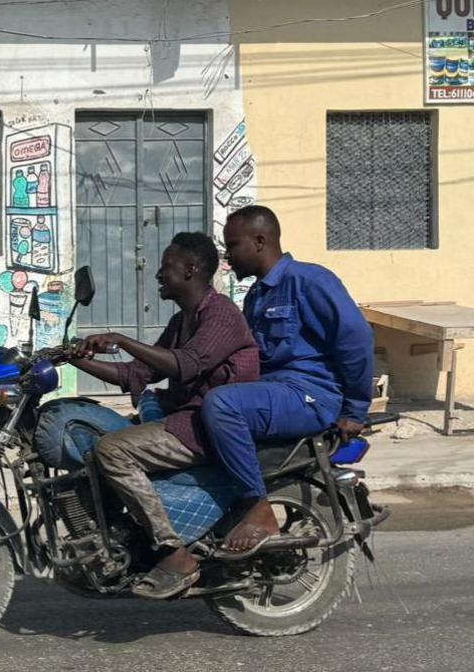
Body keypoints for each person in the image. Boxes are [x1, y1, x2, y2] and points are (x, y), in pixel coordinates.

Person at [62, 231, 259, 599]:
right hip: (186, 419)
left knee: (112, 450)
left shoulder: (221, 316)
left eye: (165, 267)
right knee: (95, 447)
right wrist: (75, 359)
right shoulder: (181, 321)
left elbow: (185, 365)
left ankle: (173, 552)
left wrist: (121, 338)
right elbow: (135, 374)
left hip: (205, 427)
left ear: (191, 269)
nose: (157, 275)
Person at [204, 205, 374, 559]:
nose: (228, 257)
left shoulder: (309, 280)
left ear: (260, 241)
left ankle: (259, 509)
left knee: (221, 404)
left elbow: (355, 338)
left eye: (233, 246)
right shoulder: (256, 296)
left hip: (310, 395)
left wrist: (356, 409)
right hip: (277, 393)